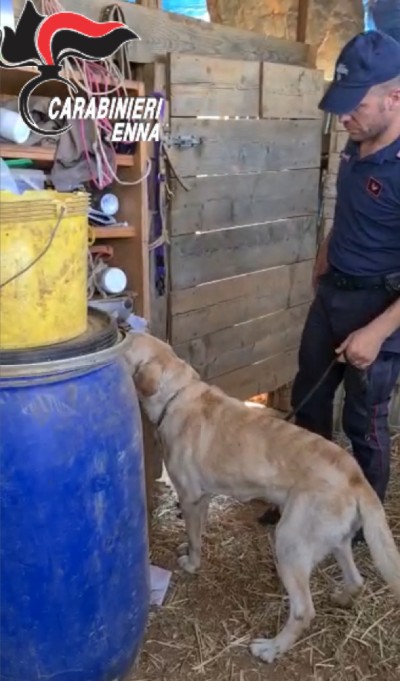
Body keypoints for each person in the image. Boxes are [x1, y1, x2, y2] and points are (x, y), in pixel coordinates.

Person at [259, 30, 400, 541]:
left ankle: (363, 525)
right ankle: (302, 496)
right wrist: (324, 256)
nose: (344, 117)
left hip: (380, 305)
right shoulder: (356, 141)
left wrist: (378, 333)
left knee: (365, 422)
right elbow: (347, 211)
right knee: (308, 402)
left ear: (394, 98)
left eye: (355, 105)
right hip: (334, 291)